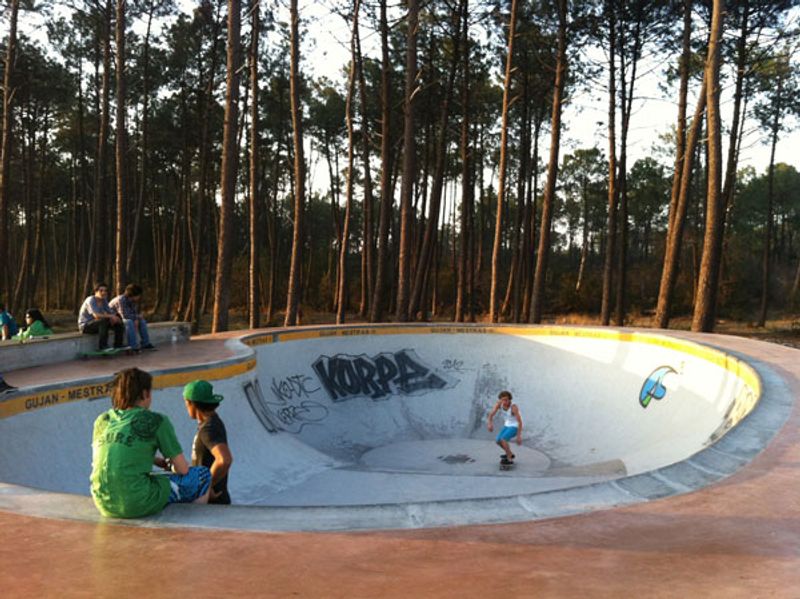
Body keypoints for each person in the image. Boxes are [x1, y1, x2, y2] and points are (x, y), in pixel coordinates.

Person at [90, 367, 211, 518]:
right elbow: (182, 469)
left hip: (103, 503)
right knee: (202, 475)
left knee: (145, 476)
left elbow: (119, 451)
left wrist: (156, 461)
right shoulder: (156, 421)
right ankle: (197, 523)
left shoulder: (103, 420)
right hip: (136, 502)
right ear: (145, 393)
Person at [183, 379, 233, 505]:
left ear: (192, 404)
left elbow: (224, 459)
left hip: (212, 504)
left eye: (186, 403)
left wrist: (206, 486)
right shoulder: (211, 422)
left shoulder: (208, 428)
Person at [109, 284, 156, 352]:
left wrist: (137, 318)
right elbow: (124, 315)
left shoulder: (132, 301)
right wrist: (136, 318)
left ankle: (145, 343)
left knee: (142, 321)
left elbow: (133, 313)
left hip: (122, 318)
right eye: (139, 295)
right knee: (129, 322)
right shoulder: (121, 300)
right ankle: (133, 346)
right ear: (133, 295)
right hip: (113, 320)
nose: (139, 297)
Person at [78, 283, 125, 351]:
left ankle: (118, 345)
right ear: (96, 292)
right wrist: (111, 316)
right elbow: (96, 315)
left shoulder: (104, 300)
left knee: (118, 320)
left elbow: (110, 312)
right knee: (103, 321)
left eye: (105, 291)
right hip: (86, 326)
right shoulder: (91, 300)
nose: (104, 292)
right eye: (101, 290)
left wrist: (115, 318)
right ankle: (103, 347)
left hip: (98, 324)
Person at [487, 390, 523, 464]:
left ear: (509, 399)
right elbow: (491, 414)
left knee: (503, 439)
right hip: (507, 425)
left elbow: (520, 422)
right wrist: (490, 424)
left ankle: (509, 459)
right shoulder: (499, 404)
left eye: (506, 400)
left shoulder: (513, 407)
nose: (504, 402)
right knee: (498, 440)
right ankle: (509, 453)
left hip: (515, 426)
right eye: (503, 400)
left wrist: (519, 436)